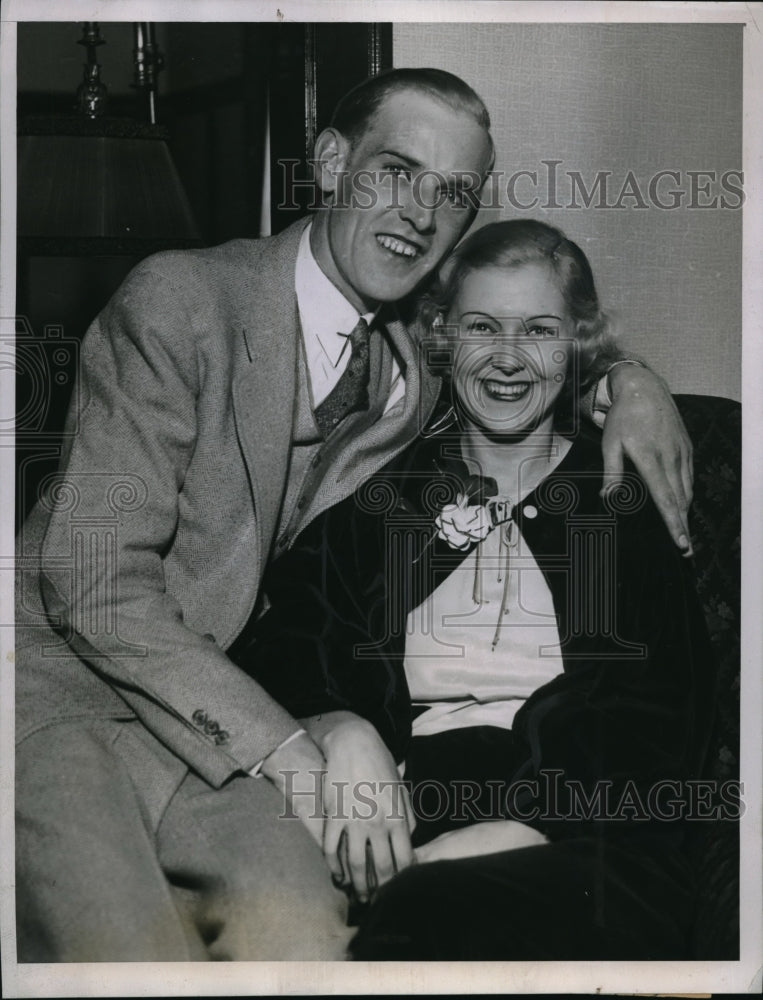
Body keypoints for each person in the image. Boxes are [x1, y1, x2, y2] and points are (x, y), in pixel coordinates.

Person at [15, 69, 694, 961]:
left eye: (451, 193)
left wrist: (629, 383)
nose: (419, 211)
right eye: (395, 171)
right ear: (332, 162)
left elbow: (525, 335)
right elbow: (96, 585)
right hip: (79, 702)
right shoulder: (177, 302)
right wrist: (310, 742)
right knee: (125, 953)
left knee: (299, 938)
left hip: (232, 730)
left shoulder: (415, 347)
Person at [233, 219, 716, 959]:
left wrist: (518, 824)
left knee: (425, 916)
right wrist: (344, 729)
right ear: (442, 336)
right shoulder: (390, 497)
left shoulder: (614, 497)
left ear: (579, 345)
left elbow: (653, 711)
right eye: (481, 326)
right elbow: (293, 631)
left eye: (539, 331)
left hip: (591, 838)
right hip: (393, 814)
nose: (507, 359)